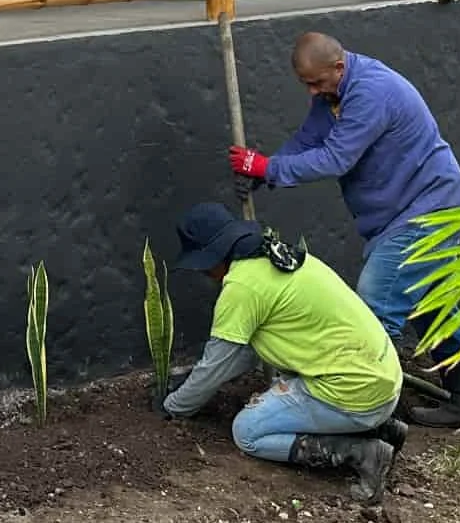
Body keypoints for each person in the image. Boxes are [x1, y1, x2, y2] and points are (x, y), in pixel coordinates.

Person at [225, 31, 460, 428]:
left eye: (316, 83)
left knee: (375, 305)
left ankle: (366, 411)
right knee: (434, 304)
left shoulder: (370, 93)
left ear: (338, 66)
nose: (312, 92)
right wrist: (265, 171)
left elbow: (336, 158)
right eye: (306, 84)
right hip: (418, 205)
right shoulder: (333, 93)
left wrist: (267, 168)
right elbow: (308, 140)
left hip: (426, 208)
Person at [160, 202, 404, 504]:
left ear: (213, 257)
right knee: (281, 385)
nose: (206, 274)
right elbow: (243, 354)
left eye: (203, 266)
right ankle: (383, 428)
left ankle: (362, 453)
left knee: (247, 431)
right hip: (384, 382)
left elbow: (216, 367)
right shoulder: (281, 256)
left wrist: (175, 406)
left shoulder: (242, 287)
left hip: (354, 397)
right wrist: (191, 380)